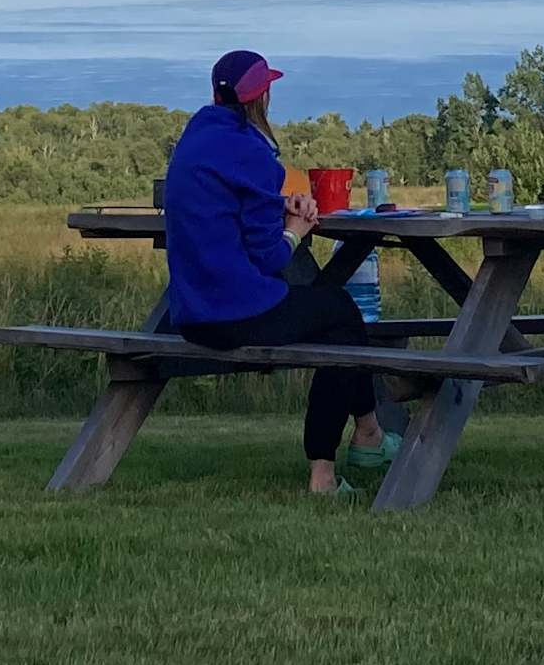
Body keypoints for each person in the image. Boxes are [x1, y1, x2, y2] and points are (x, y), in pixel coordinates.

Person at [162, 49, 397, 494]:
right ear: (262, 97)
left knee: (333, 314)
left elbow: (227, 206)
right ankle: (329, 469)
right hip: (234, 313)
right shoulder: (251, 151)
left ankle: (369, 435)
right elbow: (269, 258)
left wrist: (278, 204)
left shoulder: (195, 141)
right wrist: (295, 230)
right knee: (341, 315)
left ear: (216, 92)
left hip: (190, 314)